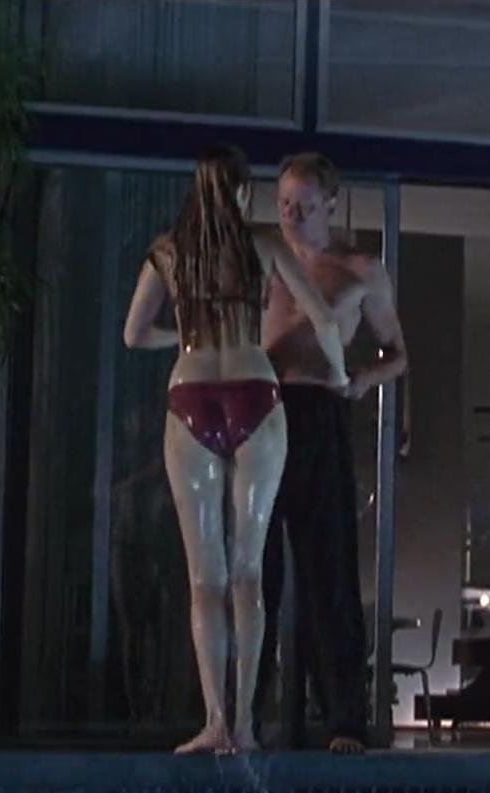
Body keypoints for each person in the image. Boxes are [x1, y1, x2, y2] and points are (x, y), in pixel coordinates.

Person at [122, 145, 345, 754]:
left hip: (190, 395)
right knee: (249, 572)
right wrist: (340, 376)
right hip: (256, 394)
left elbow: (133, 334)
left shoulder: (167, 253)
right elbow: (324, 320)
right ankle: (245, 723)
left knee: (205, 577)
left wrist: (187, 336)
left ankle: (214, 720)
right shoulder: (263, 245)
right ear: (243, 193)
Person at [254, 152, 409, 755]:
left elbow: (397, 353)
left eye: (305, 206)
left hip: (321, 410)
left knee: (330, 571)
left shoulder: (359, 270)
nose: (292, 216)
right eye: (284, 204)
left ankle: (344, 717)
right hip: (264, 411)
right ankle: (242, 711)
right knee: (254, 569)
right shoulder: (264, 262)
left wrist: (364, 380)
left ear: (331, 206)